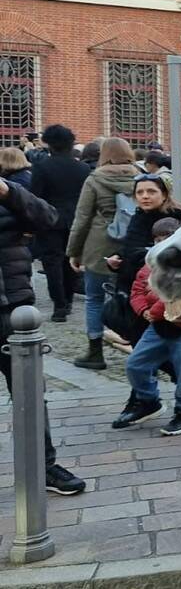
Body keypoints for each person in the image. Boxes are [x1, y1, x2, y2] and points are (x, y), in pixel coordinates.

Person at [0, 171, 87, 495]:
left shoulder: (11, 194)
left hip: (15, 312)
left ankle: (45, 467)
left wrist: (8, 192)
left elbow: (49, 218)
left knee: (31, 395)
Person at [112, 218, 181, 436]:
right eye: (158, 240)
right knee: (136, 365)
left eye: (168, 239)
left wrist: (152, 311)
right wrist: (142, 310)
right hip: (157, 329)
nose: (162, 244)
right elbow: (137, 290)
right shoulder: (149, 265)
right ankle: (149, 401)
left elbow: (174, 295)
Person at [66, 138, 139, 368]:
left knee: (95, 299)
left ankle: (95, 351)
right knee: (133, 300)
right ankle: (141, 352)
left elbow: (82, 218)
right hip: (133, 245)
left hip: (99, 246)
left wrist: (74, 251)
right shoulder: (140, 176)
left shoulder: (95, 179)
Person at [105, 175, 181, 345]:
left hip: (161, 293)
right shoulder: (139, 216)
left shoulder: (179, 219)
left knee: (157, 344)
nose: (145, 196)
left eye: (151, 191)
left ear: (164, 194)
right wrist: (117, 258)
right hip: (135, 292)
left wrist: (136, 255)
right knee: (140, 342)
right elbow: (130, 247)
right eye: (140, 192)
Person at [30, 125, 91, 322]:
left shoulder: (41, 167)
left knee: (52, 263)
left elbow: (35, 197)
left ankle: (59, 305)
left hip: (50, 220)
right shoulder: (83, 168)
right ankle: (69, 300)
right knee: (70, 261)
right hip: (75, 219)